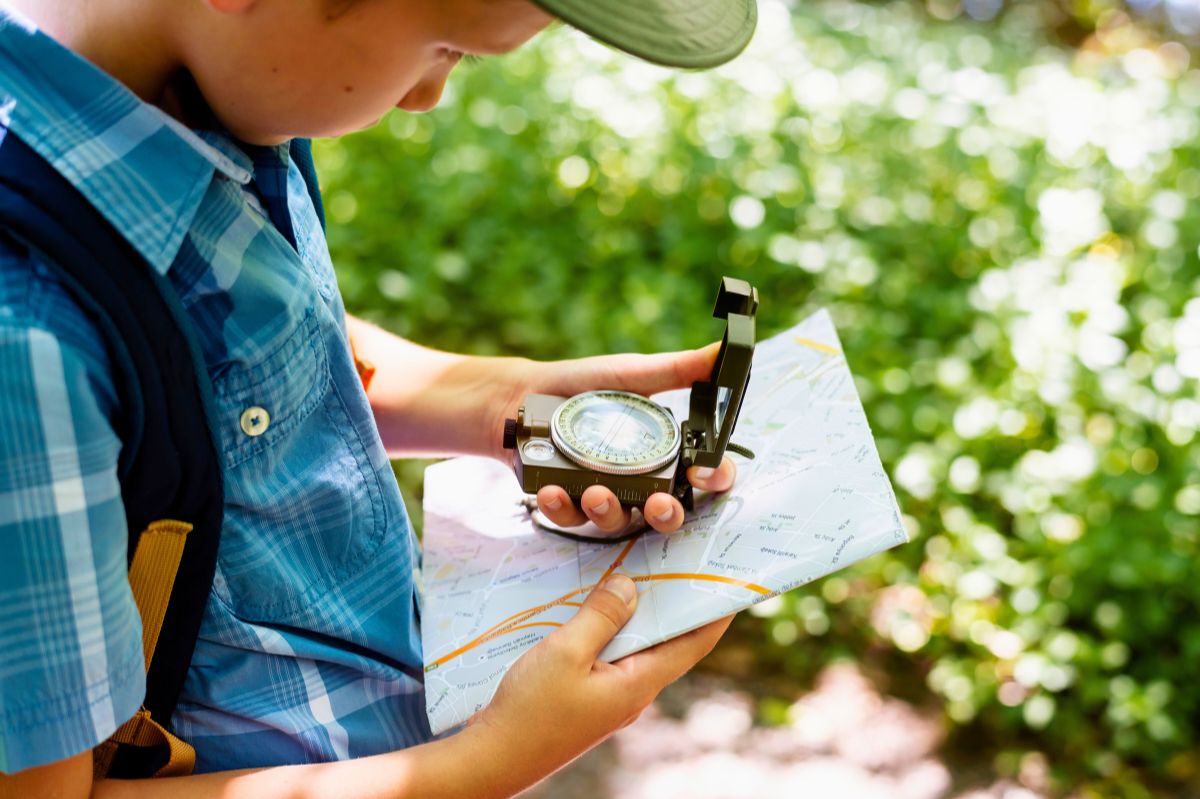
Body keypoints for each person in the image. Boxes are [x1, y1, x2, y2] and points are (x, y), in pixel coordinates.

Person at [0, 0, 757, 795]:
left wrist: (501, 398)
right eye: (445, 47)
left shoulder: (216, 98)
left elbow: (245, 345)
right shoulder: (26, 342)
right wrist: (488, 762)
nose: (430, 95)